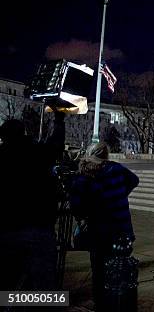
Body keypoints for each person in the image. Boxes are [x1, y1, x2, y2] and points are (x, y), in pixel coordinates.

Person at [69, 142, 139, 310]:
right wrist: (119, 194)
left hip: (99, 230)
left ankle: (101, 303)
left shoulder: (84, 174)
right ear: (106, 155)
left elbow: (77, 206)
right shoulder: (117, 169)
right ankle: (120, 303)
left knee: (99, 268)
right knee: (121, 268)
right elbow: (134, 180)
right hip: (122, 229)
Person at [0, 110, 65, 291]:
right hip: (40, 225)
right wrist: (59, 119)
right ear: (23, 133)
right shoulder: (38, 152)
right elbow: (56, 144)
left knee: (9, 279)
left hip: (7, 227)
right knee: (44, 280)